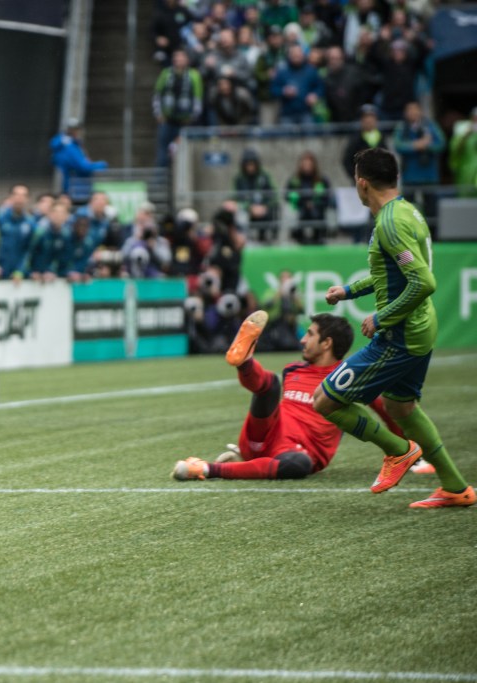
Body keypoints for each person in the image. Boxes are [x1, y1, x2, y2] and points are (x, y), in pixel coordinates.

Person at [312, 147, 474, 508]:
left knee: (324, 400)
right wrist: (350, 291)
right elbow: (393, 273)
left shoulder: (389, 223)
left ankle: (399, 451)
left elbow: (423, 282)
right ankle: (455, 487)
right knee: (401, 408)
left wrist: (382, 318)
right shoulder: (406, 211)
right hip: (420, 328)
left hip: (399, 335)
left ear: (362, 183)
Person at [172, 311, 404, 481]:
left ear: (326, 343)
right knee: (271, 385)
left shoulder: (348, 376)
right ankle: (244, 363)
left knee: (298, 465)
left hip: (298, 454)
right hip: (260, 436)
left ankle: (206, 468)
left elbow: (384, 407)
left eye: (310, 334)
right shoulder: (294, 369)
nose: (302, 339)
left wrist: (402, 449)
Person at [152, 49, 203, 167]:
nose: (179, 60)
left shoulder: (194, 75)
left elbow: (198, 99)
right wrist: (158, 114)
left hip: (185, 122)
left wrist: (193, 117)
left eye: (182, 57)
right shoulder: (166, 73)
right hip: (167, 120)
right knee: (162, 152)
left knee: (184, 152)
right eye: (177, 57)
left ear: (187, 60)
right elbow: (157, 95)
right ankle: (160, 182)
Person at [50, 119, 107, 203]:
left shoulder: (69, 145)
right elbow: (83, 167)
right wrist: (101, 165)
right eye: (75, 129)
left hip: (74, 188)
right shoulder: (70, 147)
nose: (77, 132)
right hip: (76, 189)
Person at [285, 150, 333, 244]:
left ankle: (318, 237)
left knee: (316, 213)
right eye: (305, 164)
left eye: (309, 164)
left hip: (318, 210)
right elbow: (287, 195)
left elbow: (327, 198)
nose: (307, 167)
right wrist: (302, 203)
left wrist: (316, 204)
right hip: (299, 209)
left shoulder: (321, 180)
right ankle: (299, 238)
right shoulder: (295, 181)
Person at [270, 43, 324, 125]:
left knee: (311, 136)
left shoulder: (311, 70)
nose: (296, 57)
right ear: (289, 55)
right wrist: (284, 91)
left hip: (306, 112)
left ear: (303, 55)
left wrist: (315, 95)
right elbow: (273, 90)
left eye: (298, 54)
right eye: (294, 54)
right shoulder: (282, 71)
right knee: (286, 137)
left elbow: (320, 87)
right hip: (287, 114)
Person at [232, 148, 278, 241]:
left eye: (252, 164)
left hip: (264, 209)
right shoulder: (238, 179)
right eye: (248, 164)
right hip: (246, 209)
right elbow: (234, 197)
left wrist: (265, 206)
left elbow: (274, 195)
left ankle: (267, 239)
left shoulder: (265, 176)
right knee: (240, 214)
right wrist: (249, 207)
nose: (250, 167)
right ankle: (243, 240)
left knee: (274, 211)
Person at [0, 183, 35, 281]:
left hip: (20, 277)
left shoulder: (31, 223)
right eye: (16, 195)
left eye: (23, 195)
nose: (19, 198)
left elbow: (29, 250)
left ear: (28, 199)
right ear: (10, 197)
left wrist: (20, 270)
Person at [26, 200, 71, 283]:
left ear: (66, 216)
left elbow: (65, 260)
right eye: (55, 212)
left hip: (54, 278)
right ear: (49, 214)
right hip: (34, 277)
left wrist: (56, 272)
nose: (58, 215)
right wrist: (29, 272)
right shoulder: (39, 232)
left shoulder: (67, 236)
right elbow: (27, 253)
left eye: (62, 213)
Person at [342, 104, 387, 182]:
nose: (369, 121)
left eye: (371, 117)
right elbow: (347, 160)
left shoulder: (381, 137)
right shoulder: (356, 138)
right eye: (366, 118)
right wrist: (356, 176)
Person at [448, 106, 477, 197]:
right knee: (465, 197)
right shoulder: (463, 130)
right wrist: (467, 135)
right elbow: (454, 149)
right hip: (466, 171)